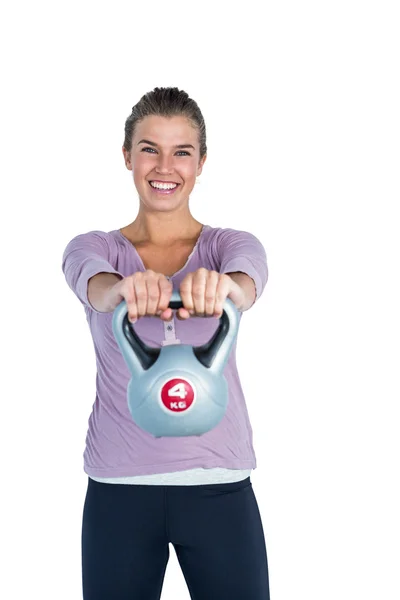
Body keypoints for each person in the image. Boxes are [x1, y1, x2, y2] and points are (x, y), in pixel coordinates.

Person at [62, 87, 271, 600]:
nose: (165, 165)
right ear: (127, 155)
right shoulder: (96, 248)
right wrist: (121, 290)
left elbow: (248, 282)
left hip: (219, 484)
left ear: (201, 163)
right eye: (150, 148)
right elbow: (94, 284)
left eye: (182, 151)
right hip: (119, 490)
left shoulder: (228, 246)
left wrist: (224, 289)